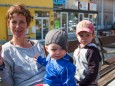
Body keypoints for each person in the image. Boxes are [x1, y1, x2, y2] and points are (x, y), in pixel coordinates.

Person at [0, 4, 46, 86]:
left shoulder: (38, 45)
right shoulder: (6, 50)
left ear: (27, 24)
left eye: (22, 22)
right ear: (8, 24)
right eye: (14, 22)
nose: (17, 26)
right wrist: (0, 67)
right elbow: (7, 84)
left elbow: (47, 69)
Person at [73, 20, 102, 86]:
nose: (84, 38)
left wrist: (82, 83)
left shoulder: (92, 51)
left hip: (89, 82)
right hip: (78, 80)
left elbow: (93, 72)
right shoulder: (78, 49)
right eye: (81, 35)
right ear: (76, 36)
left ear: (93, 35)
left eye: (88, 35)